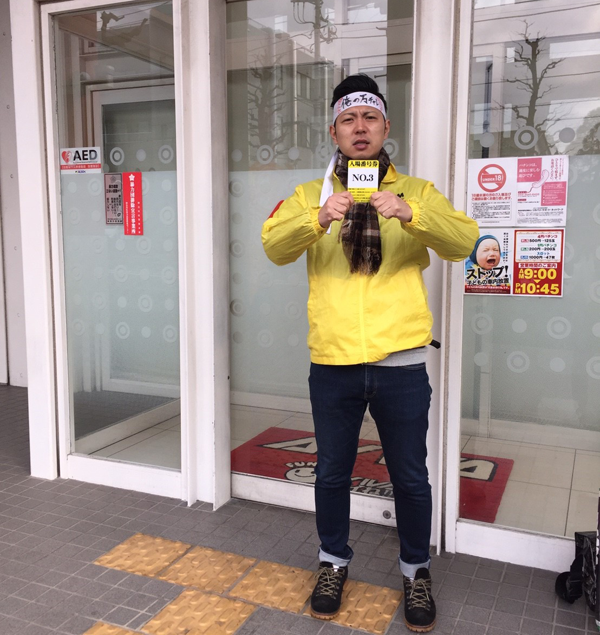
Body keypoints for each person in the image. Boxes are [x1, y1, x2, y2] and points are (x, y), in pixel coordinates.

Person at [261, 74, 479, 633]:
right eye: (348, 119)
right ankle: (332, 562)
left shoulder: (417, 191)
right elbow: (273, 247)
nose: (360, 128)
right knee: (332, 473)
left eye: (370, 118)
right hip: (333, 364)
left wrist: (409, 213)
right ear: (333, 130)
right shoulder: (311, 194)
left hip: (400, 364)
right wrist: (318, 217)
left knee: (410, 477)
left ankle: (416, 570)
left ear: (385, 127)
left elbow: (464, 242)